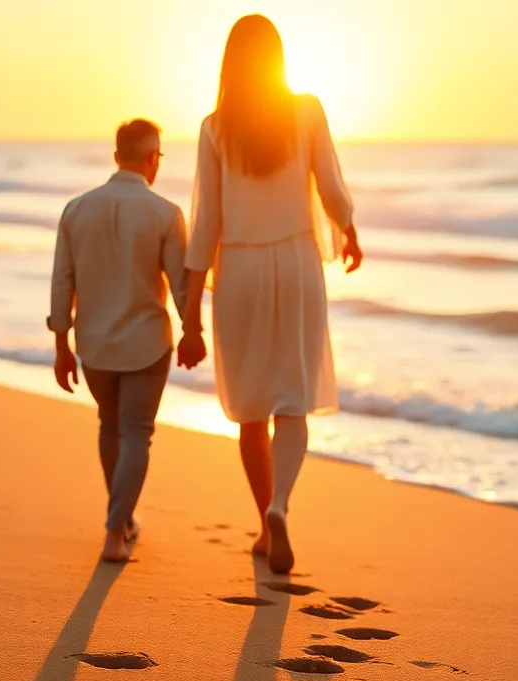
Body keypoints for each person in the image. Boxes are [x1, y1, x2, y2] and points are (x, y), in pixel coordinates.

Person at [181, 14, 363, 575]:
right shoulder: (306, 110)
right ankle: (281, 505)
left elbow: (205, 224)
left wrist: (191, 317)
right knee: (293, 399)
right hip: (297, 262)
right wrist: (350, 230)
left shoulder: (215, 127)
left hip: (238, 268)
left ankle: (264, 522)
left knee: (251, 410)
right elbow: (330, 187)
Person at [48, 118, 192, 563]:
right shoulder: (166, 213)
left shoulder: (76, 209)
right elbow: (182, 284)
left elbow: (61, 282)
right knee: (136, 433)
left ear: (116, 157)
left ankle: (121, 519)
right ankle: (116, 529)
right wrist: (194, 331)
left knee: (110, 426)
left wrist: (61, 345)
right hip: (146, 342)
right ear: (153, 159)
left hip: (94, 344)